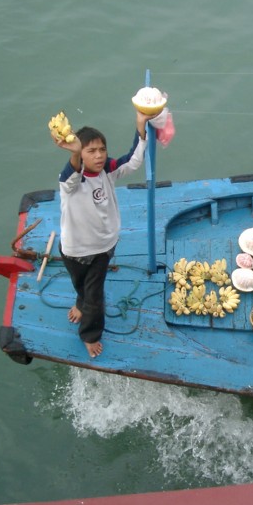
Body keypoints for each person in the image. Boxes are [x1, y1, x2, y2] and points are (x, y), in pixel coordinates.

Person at [51, 110, 156, 358]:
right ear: (80, 155)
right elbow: (71, 174)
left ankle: (90, 335)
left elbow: (132, 161)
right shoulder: (70, 183)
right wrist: (75, 151)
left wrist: (140, 125)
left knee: (94, 297)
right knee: (81, 286)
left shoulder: (108, 171)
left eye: (102, 149)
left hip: (102, 249)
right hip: (74, 250)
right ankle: (79, 303)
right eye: (91, 151)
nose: (98, 156)